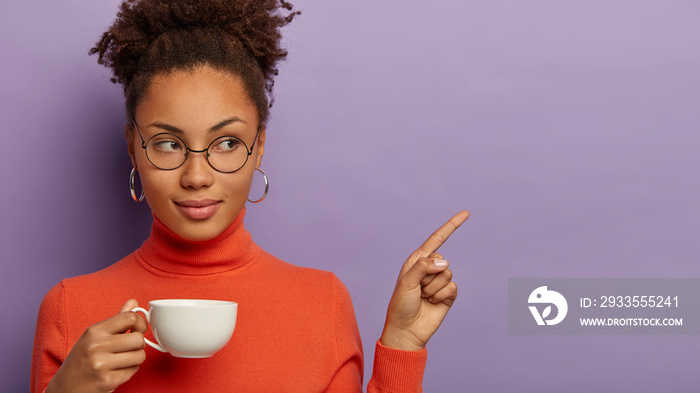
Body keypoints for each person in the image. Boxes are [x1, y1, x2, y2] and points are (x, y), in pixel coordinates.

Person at [30, 0, 470, 392]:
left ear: (258, 146)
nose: (197, 176)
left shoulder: (323, 304)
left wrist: (402, 344)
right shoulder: (70, 310)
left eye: (226, 143)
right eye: (168, 143)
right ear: (133, 145)